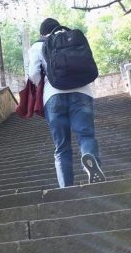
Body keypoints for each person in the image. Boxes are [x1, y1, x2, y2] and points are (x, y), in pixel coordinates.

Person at [27, 17, 105, 188]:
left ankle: (66, 188)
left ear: (42, 33)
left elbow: (33, 74)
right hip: (82, 92)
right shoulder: (74, 38)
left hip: (53, 96)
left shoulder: (37, 45)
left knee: (62, 146)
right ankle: (90, 157)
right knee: (86, 135)